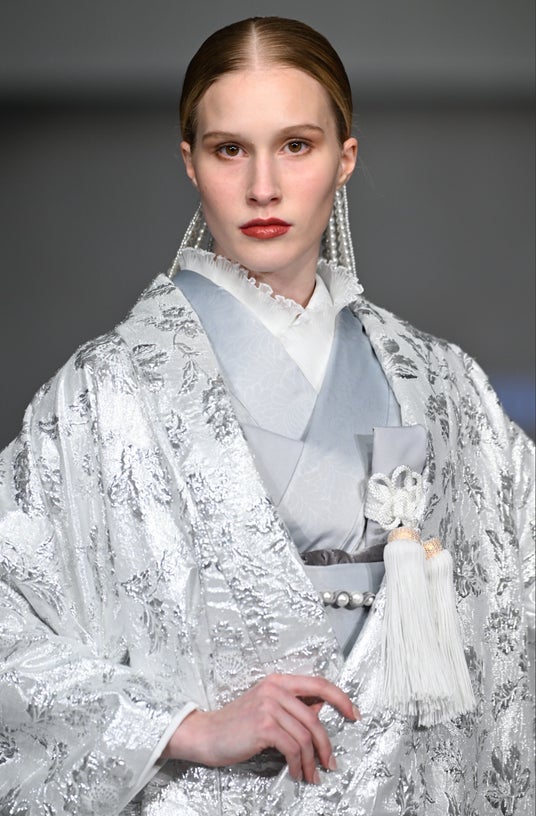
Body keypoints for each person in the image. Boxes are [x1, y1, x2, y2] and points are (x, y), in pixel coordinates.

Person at [0, 16, 533, 816]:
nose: (263, 187)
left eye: (296, 145)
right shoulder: (105, 393)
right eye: (229, 150)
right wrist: (181, 726)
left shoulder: (443, 384)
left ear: (344, 158)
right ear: (190, 161)